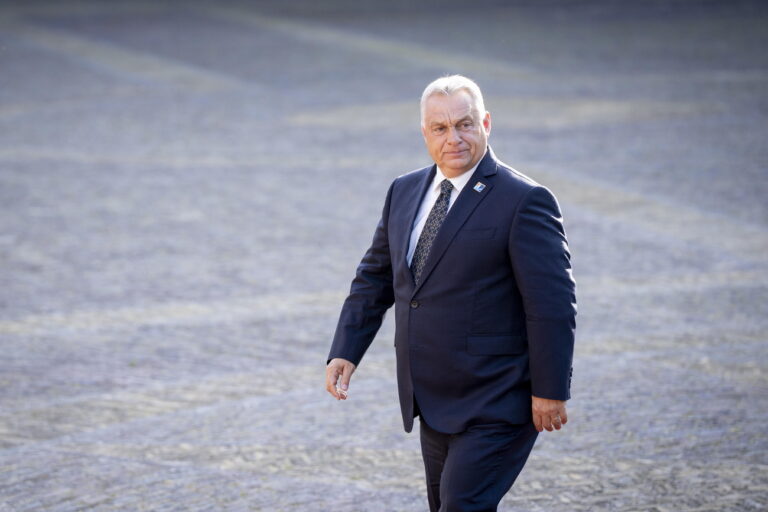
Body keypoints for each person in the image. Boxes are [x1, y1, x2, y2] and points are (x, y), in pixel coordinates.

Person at [325, 75, 576, 512]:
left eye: (464, 124)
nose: (453, 138)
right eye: (440, 128)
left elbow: (551, 305)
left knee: (460, 505)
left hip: (499, 397)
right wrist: (346, 349)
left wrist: (550, 389)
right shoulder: (404, 191)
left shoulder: (524, 200)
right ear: (424, 132)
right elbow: (375, 277)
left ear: (486, 124)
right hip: (432, 397)